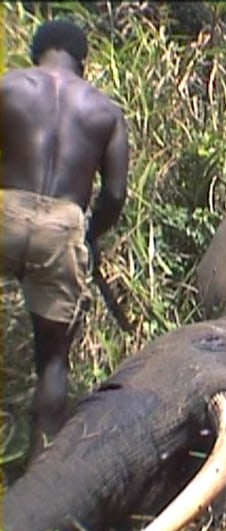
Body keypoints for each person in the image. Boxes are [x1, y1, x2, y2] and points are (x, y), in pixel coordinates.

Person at [1, 20, 129, 460]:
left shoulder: (9, 87)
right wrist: (89, 236)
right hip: (63, 225)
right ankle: (39, 479)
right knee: (53, 359)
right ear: (84, 62)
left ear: (36, 51)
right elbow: (114, 193)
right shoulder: (106, 111)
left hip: (5, 210)